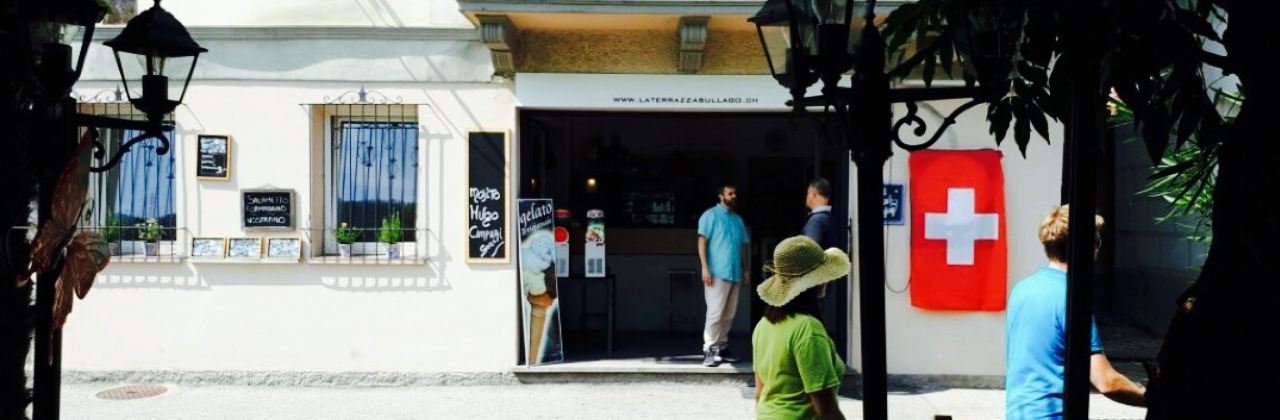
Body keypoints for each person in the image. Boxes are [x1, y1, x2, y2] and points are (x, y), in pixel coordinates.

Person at [1006, 205, 1147, 419]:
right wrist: (1152, 398)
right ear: (1088, 247)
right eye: (1097, 242)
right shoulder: (1072, 297)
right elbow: (1106, 382)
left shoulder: (1021, 289)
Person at [753, 235, 849, 420]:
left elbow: (760, 392)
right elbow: (826, 409)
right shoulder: (808, 329)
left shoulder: (763, 325)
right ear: (815, 282)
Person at [698, 183, 750, 367]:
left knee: (729, 314)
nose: (734, 196)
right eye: (730, 193)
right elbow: (702, 241)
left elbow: (743, 246)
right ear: (721, 196)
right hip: (717, 272)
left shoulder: (737, 220)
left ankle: (722, 346)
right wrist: (705, 268)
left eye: (735, 193)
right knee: (715, 312)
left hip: (734, 272)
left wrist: (745, 270)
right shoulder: (710, 216)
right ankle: (709, 349)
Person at [802, 178, 835, 249]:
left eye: (808, 193)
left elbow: (810, 252)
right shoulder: (830, 217)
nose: (806, 197)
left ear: (814, 195)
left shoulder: (816, 220)